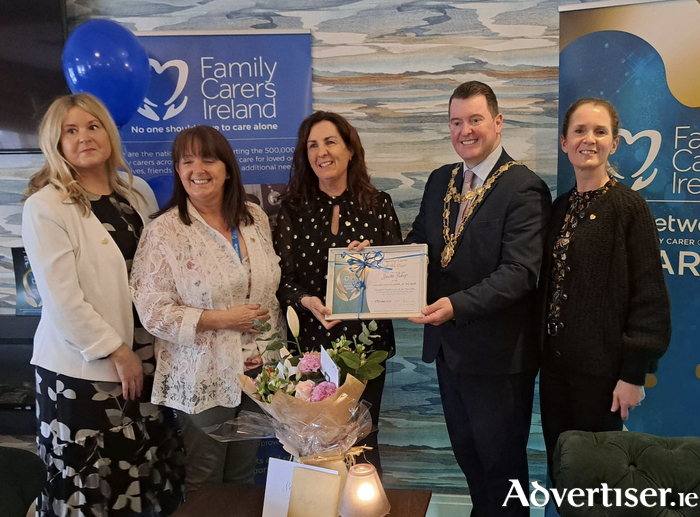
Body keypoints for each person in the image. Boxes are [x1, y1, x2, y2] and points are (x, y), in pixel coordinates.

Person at [22, 93, 185, 517]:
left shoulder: (138, 193)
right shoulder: (46, 206)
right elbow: (62, 299)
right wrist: (116, 350)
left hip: (148, 360)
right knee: (92, 486)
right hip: (84, 372)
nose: (84, 137)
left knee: (145, 475)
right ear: (56, 143)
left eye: (92, 126)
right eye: (70, 131)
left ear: (108, 133)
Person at [405, 81, 551, 516]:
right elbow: (420, 245)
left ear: (498, 122)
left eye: (474, 119)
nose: (464, 130)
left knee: (503, 468)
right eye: (456, 121)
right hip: (449, 353)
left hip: (499, 359)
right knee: (469, 457)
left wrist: (455, 306)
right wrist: (373, 262)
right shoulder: (439, 181)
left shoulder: (524, 187)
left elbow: (520, 273)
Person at [130, 125, 284, 492]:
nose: (198, 169)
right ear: (178, 171)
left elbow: (268, 291)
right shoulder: (164, 231)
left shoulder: (254, 217)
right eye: (187, 161)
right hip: (202, 373)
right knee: (206, 478)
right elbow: (152, 311)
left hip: (259, 372)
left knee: (244, 475)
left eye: (208, 159)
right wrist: (223, 320)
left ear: (227, 168)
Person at [539, 98, 671, 477]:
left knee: (597, 479)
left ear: (614, 143)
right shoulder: (558, 209)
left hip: (602, 377)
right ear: (564, 142)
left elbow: (650, 299)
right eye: (579, 130)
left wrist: (633, 374)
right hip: (554, 373)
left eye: (600, 131)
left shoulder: (630, 208)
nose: (589, 139)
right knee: (562, 470)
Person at [273, 111, 402, 475]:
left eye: (330, 142)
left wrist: (371, 264)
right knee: (315, 441)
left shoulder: (378, 205)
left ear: (349, 150)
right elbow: (283, 280)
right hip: (312, 344)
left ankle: (364, 508)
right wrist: (307, 301)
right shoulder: (291, 209)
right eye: (312, 145)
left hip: (366, 347)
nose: (321, 152)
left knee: (362, 439)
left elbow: (398, 278)